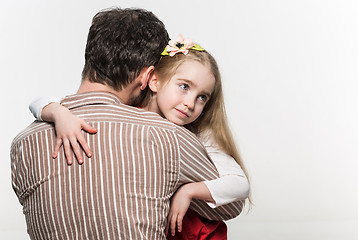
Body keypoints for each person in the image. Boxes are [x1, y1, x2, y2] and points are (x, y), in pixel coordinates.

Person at [10, 7, 244, 240]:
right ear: (149, 78)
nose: (190, 104)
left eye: (202, 96)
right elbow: (231, 207)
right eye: (184, 87)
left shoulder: (23, 144)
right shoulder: (170, 137)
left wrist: (57, 111)